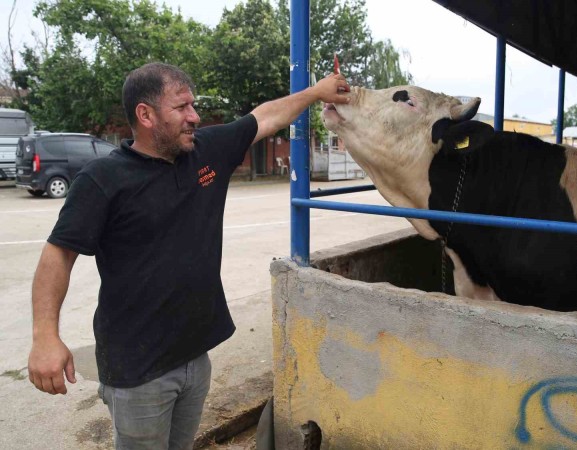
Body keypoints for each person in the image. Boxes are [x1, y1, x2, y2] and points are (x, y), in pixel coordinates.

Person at [27, 62, 350, 449]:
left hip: (195, 358)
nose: (194, 116)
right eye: (181, 107)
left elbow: (263, 118)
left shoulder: (206, 153)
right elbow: (58, 255)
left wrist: (316, 92)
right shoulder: (102, 180)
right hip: (137, 370)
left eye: (193, 106)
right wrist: (45, 336)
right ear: (145, 115)